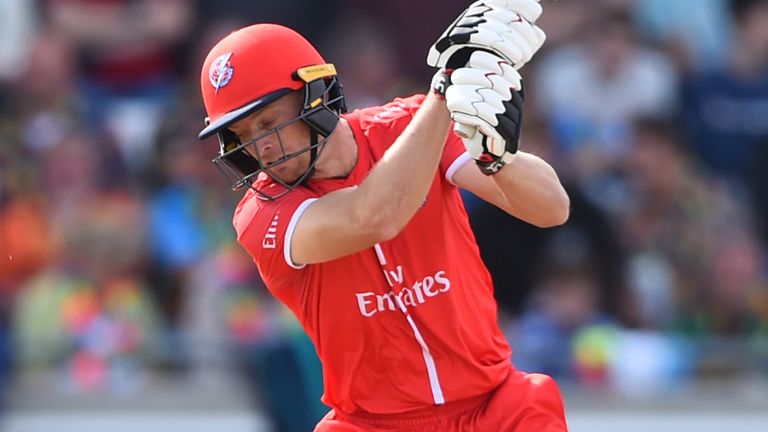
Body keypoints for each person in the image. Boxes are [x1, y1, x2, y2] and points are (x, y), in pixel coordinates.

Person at [197, 1, 570, 430]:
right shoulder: (259, 215)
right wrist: (445, 90)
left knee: (534, 394)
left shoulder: (412, 125)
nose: (259, 148)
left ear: (315, 96)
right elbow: (373, 217)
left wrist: (496, 156)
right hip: (371, 424)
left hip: (495, 407)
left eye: (267, 123)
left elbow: (552, 209)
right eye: (241, 135)